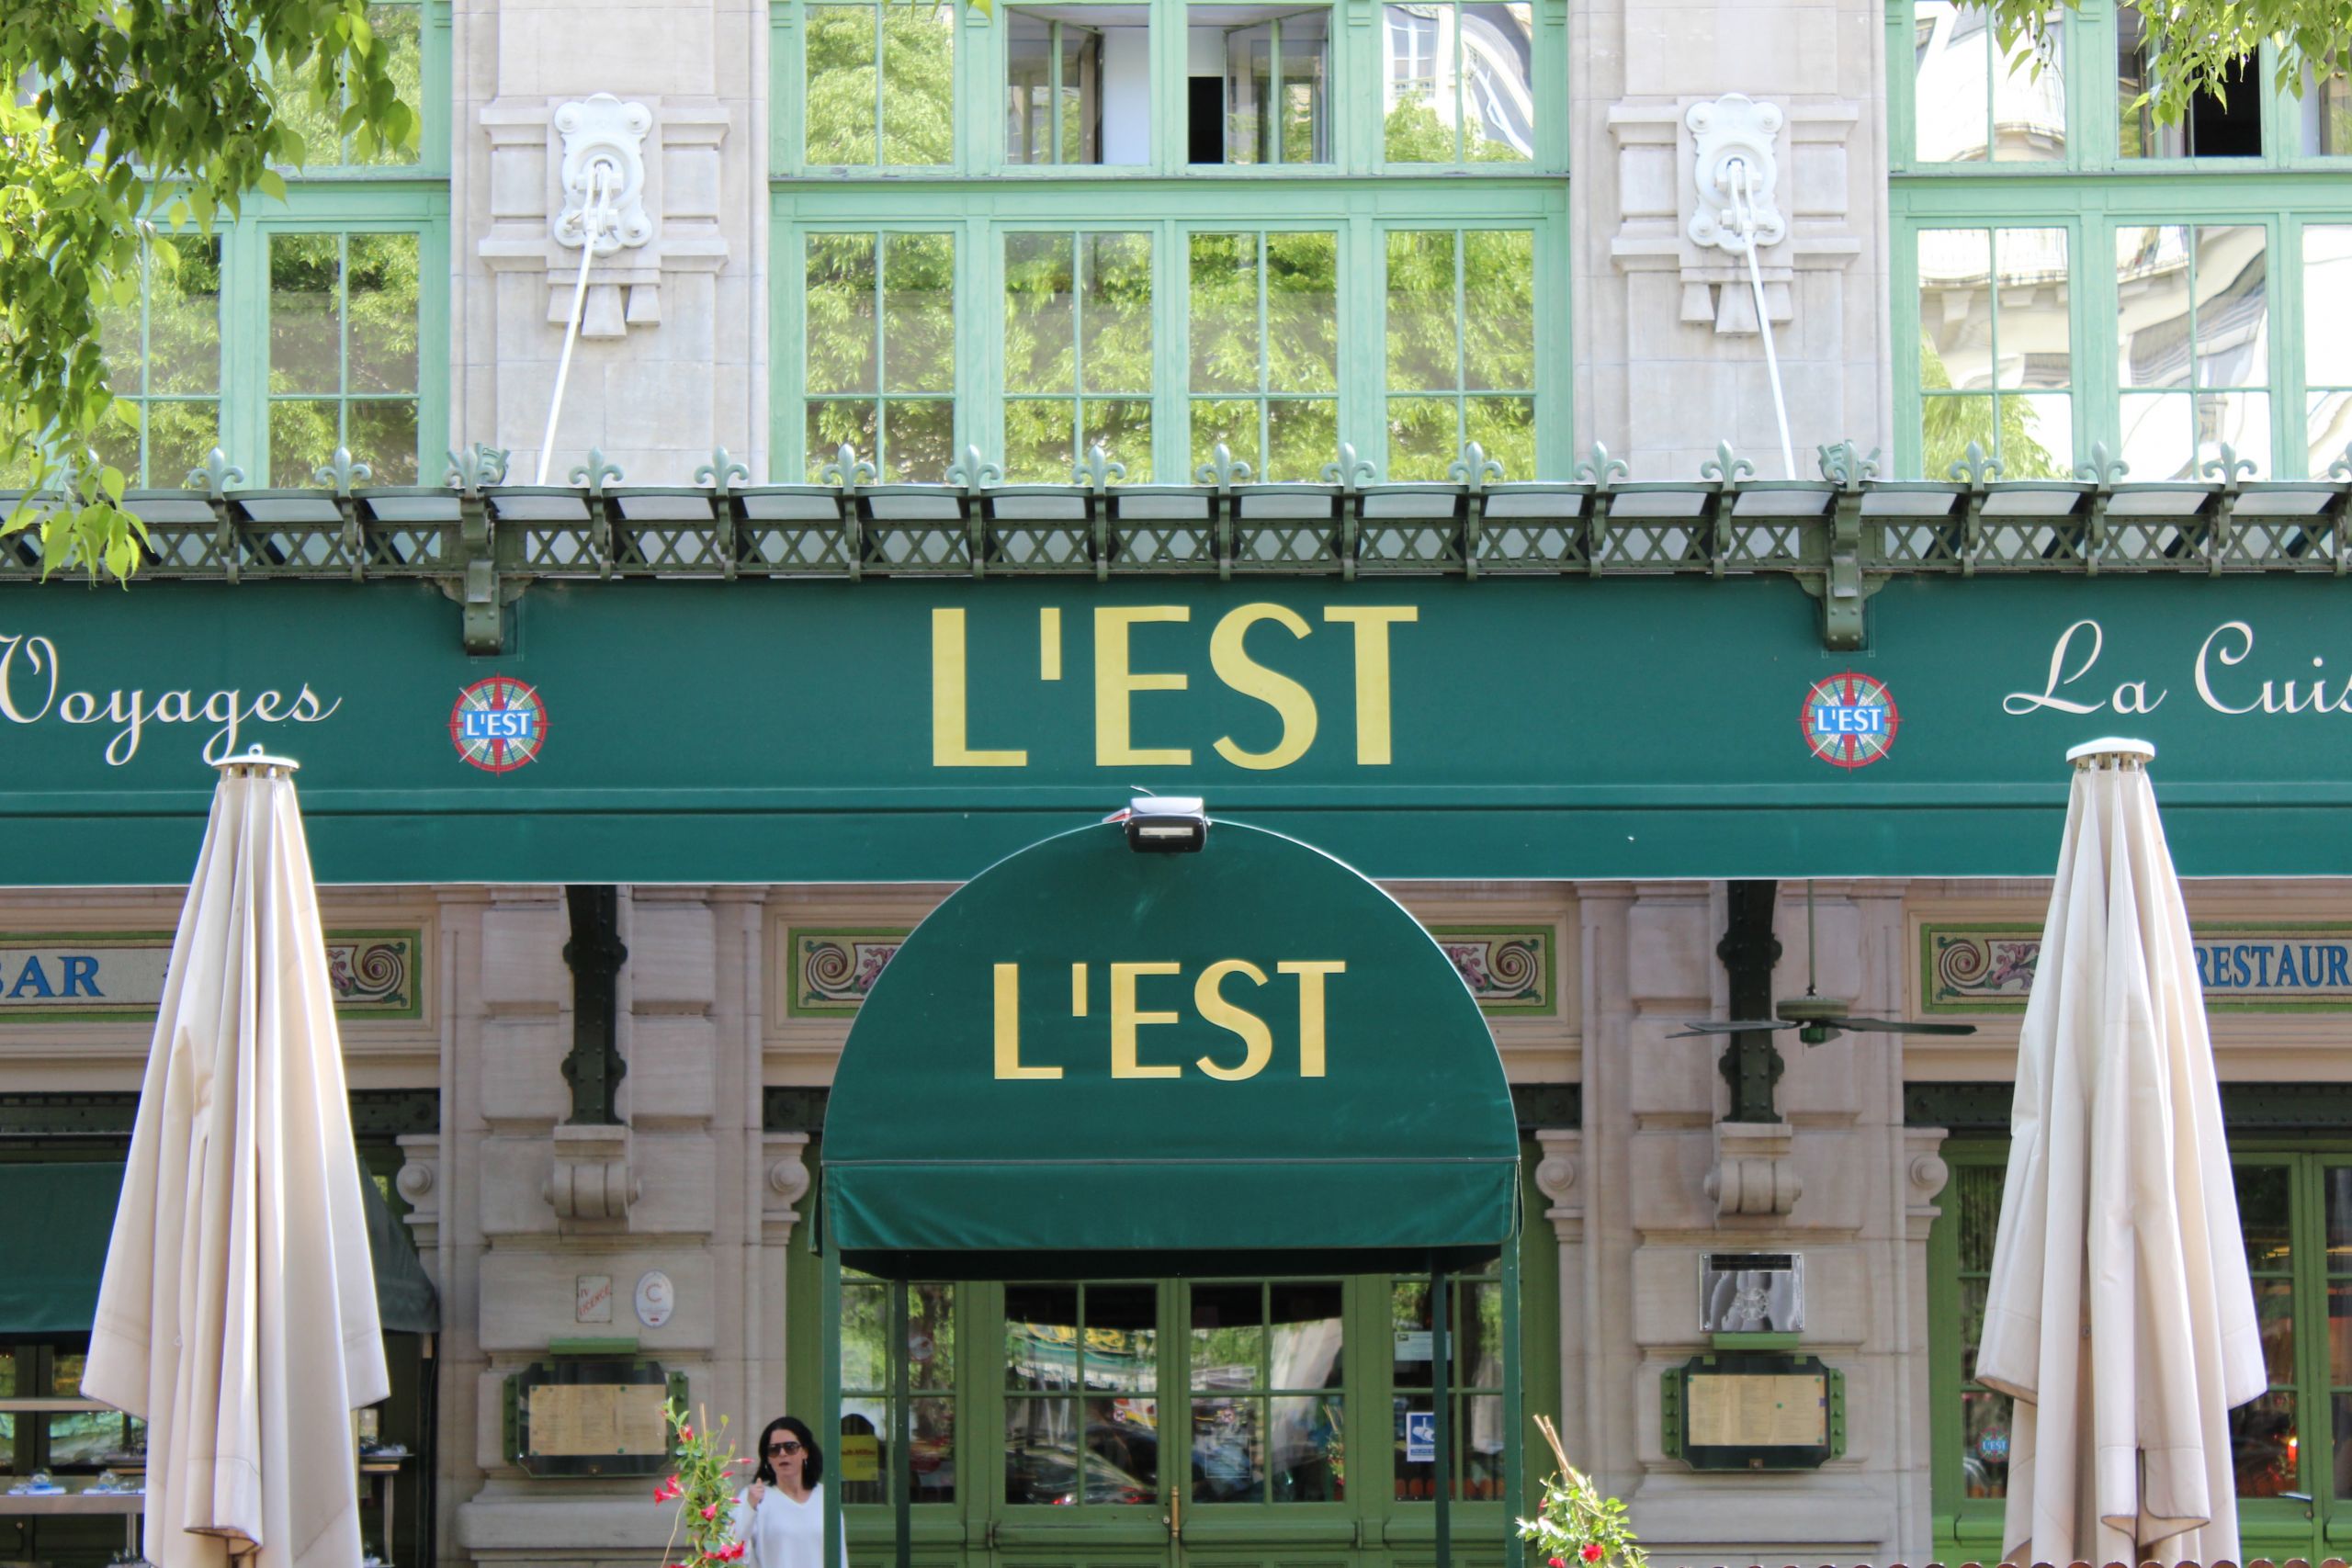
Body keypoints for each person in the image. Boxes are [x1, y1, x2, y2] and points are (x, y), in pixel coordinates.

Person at [730, 1416, 850, 1568]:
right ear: (767, 1458)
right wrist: (749, 1507)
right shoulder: (754, 1497)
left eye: (790, 1447)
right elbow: (734, 1551)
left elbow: (840, 1556)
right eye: (774, 1450)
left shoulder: (825, 1497)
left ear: (805, 1452)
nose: (782, 1454)